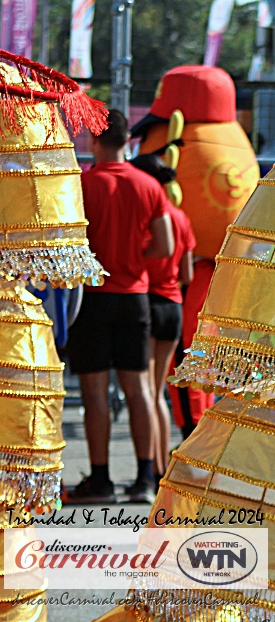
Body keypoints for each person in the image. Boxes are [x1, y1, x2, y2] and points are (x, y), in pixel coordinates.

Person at [66, 110, 174, 505]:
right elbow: (164, 246)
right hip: (135, 297)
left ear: (93, 141)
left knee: (94, 392)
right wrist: (132, 256)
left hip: (92, 298)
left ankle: (100, 480)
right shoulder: (149, 186)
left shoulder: (80, 185)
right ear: (129, 141)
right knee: (140, 389)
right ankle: (145, 478)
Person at [131, 153, 197, 482]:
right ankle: (161, 470)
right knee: (158, 393)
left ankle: (153, 468)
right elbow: (187, 273)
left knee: (147, 391)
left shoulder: (144, 215)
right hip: (173, 306)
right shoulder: (181, 218)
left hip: (147, 302)